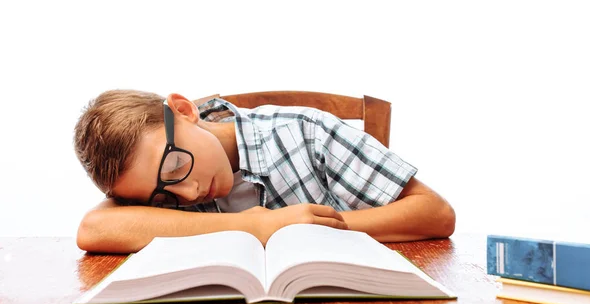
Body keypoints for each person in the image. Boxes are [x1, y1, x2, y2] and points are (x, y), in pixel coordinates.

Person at [73, 89, 455, 253]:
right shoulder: (157, 182)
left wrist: (307, 230)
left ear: (185, 111)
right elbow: (94, 229)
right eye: (163, 196)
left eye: (175, 166)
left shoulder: (305, 131)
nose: (186, 195)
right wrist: (255, 226)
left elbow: (435, 213)